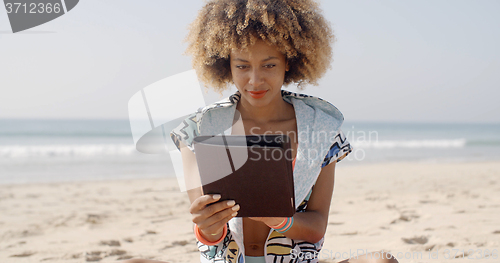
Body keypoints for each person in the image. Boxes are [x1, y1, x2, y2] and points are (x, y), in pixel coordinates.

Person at [123, 0, 399, 262]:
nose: (254, 80)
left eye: (269, 65)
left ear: (288, 62)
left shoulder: (321, 129)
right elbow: (210, 237)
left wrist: (280, 219)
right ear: (226, 65)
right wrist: (208, 226)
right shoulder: (197, 132)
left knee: (381, 261)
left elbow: (316, 226)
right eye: (242, 66)